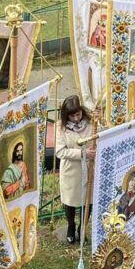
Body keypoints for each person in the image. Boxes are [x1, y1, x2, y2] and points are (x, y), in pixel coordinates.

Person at [56, 95, 95, 244]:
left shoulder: (92, 122)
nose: (76, 119)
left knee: (88, 200)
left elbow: (103, 133)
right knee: (70, 200)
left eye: (78, 114)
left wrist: (100, 119)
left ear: (82, 111)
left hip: (89, 168)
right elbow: (60, 151)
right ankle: (71, 226)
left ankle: (82, 227)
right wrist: (82, 153)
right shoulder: (61, 127)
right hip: (71, 170)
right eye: (72, 116)